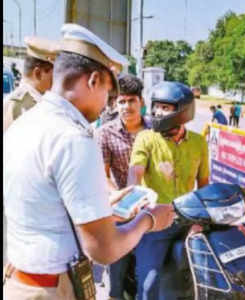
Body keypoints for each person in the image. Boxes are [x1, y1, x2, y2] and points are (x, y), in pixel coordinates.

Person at [3, 23, 175, 300]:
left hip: (21, 281)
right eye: (109, 94)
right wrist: (149, 219)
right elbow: (103, 249)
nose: (107, 104)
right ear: (94, 80)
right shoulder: (74, 138)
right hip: (51, 290)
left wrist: (102, 205)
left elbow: (42, 202)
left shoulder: (26, 124)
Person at [128, 81, 210, 300]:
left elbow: (204, 185)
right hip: (153, 223)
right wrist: (132, 196)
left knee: (193, 281)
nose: (157, 112)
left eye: (165, 107)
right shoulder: (146, 138)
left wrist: (200, 222)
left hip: (186, 220)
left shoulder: (199, 143)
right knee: (148, 284)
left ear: (183, 111)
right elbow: (135, 171)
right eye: (156, 106)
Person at [96, 73, 149, 300]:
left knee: (149, 272)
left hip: (151, 208)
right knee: (117, 270)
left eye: (131, 101)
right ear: (115, 103)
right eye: (121, 101)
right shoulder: (105, 133)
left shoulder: (155, 131)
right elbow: (102, 175)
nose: (126, 106)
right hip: (121, 211)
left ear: (141, 102)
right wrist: (120, 196)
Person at [3, 36, 59, 132]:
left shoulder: (42, 100)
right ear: (38, 73)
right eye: (53, 75)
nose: (56, 80)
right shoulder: (19, 105)